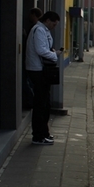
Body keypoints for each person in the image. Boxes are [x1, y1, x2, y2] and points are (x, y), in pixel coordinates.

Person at [26, 11, 61, 145]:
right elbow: (40, 50)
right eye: (54, 24)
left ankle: (44, 133)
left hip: (40, 69)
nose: (54, 27)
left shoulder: (42, 29)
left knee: (45, 103)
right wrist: (54, 55)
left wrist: (52, 52)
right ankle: (38, 136)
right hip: (37, 70)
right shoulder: (39, 30)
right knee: (41, 104)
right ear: (47, 20)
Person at [22, 8, 44, 109]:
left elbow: (40, 49)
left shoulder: (36, 29)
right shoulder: (38, 28)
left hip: (33, 64)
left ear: (33, 15)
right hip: (33, 64)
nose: (29, 17)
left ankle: (30, 102)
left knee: (28, 84)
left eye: (30, 15)